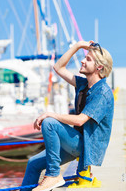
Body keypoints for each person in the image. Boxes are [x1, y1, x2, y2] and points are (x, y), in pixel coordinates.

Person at [21, 40, 114, 191]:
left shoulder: (103, 92)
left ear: (99, 67)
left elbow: (80, 120)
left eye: (88, 59)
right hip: (75, 141)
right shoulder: (83, 84)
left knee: (49, 122)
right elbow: (58, 67)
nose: (83, 61)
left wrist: (50, 114)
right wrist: (77, 46)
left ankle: (53, 175)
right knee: (33, 164)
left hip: (86, 146)